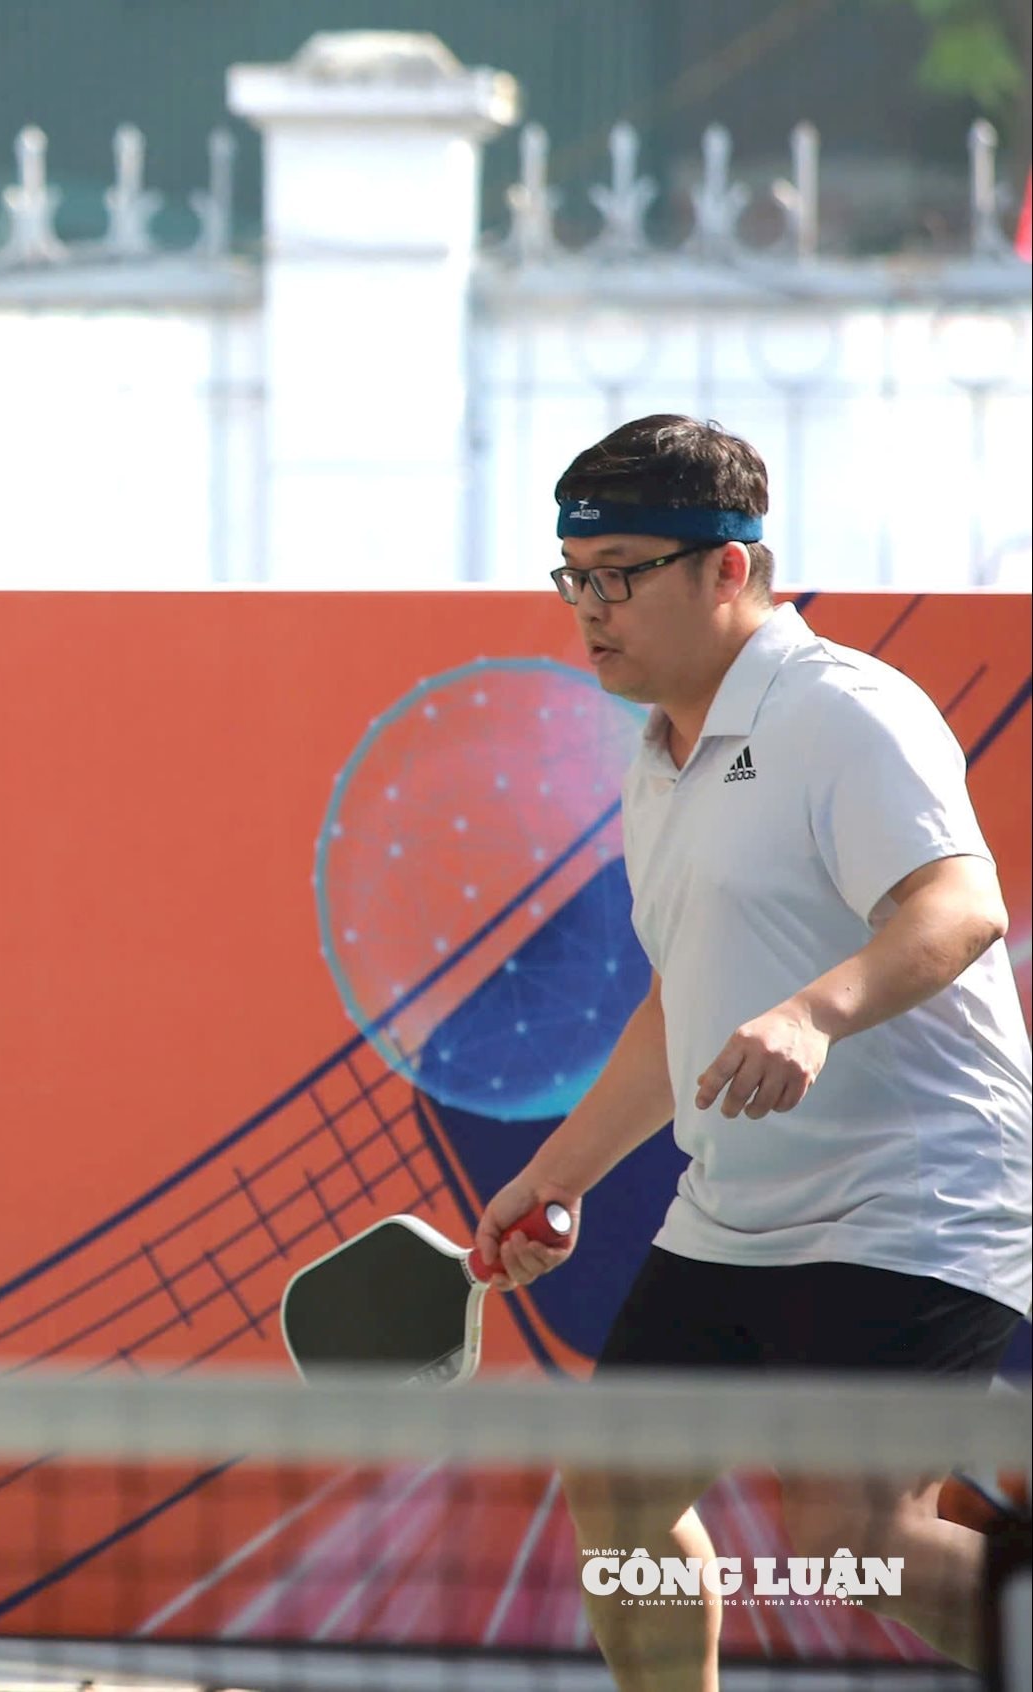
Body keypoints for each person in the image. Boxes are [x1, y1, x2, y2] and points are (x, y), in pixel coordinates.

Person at [474, 415, 1029, 1691]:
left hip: (919, 1201)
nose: (589, 608)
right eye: (573, 577)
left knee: (859, 1543)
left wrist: (811, 1014)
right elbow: (681, 998)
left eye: (620, 574)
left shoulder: (845, 711)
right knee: (617, 1491)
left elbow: (958, 906)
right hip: (737, 1216)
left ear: (728, 567)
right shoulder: (656, 761)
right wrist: (558, 1174)